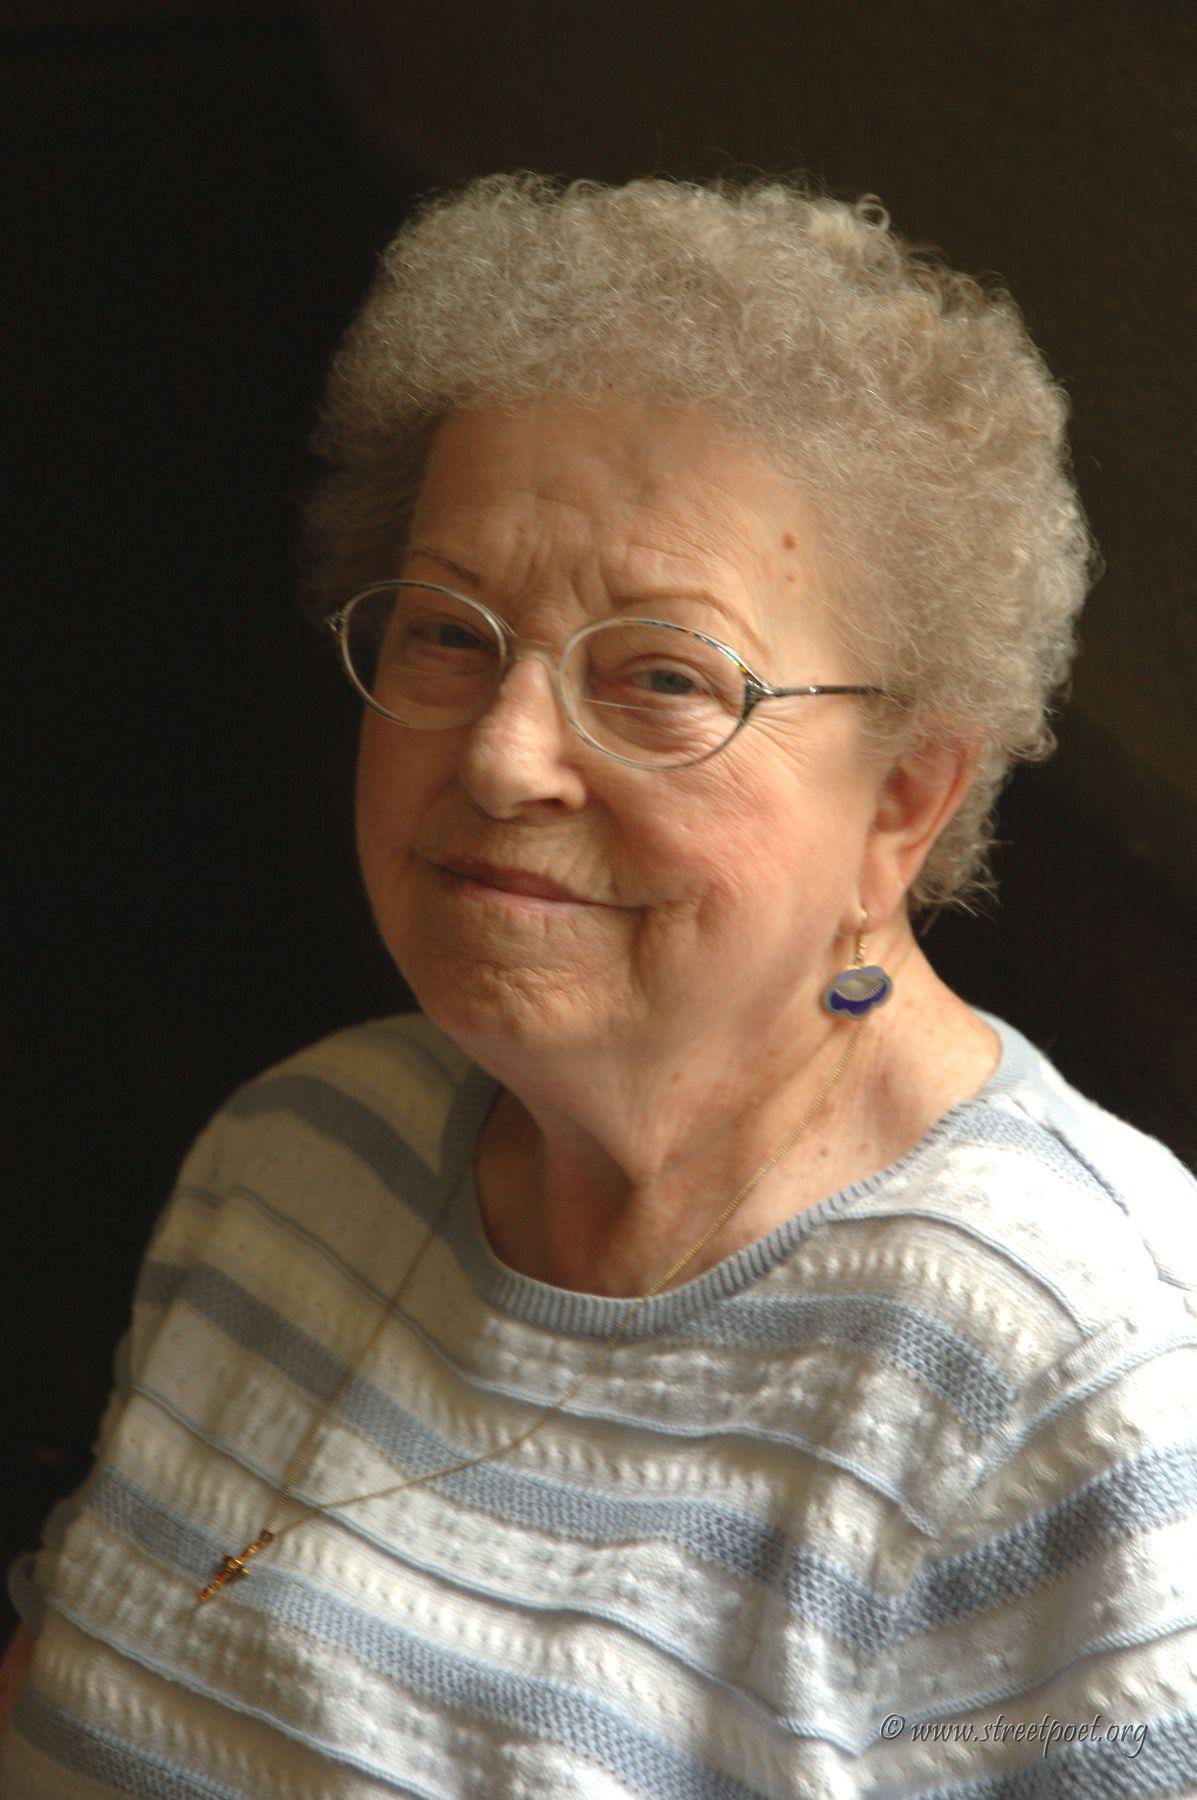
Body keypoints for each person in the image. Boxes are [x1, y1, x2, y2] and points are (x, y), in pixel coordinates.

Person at [3, 173, 1195, 1799]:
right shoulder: (300, 1151)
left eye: (659, 677)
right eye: (447, 634)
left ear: (903, 800)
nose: (502, 758)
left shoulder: (1079, 1381)